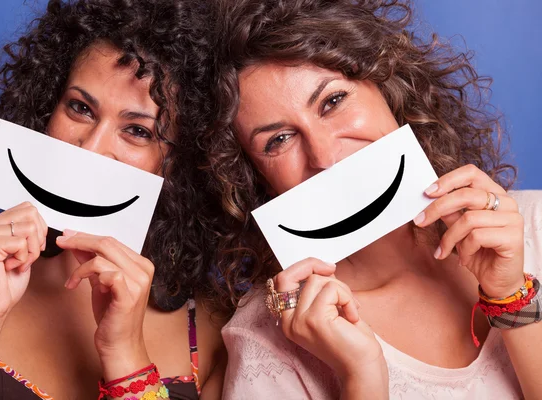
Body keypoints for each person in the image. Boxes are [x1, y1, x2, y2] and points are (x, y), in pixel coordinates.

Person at [191, 0, 542, 398]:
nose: (324, 156)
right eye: (279, 140)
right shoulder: (270, 341)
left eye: (333, 101)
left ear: (387, 85)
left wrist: (511, 295)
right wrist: (361, 377)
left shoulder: (530, 226)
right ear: (251, 176)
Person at [0, 1, 227, 399]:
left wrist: (124, 352)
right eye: (80, 108)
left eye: (138, 131)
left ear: (178, 165)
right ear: (44, 110)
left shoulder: (215, 329)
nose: (91, 149)